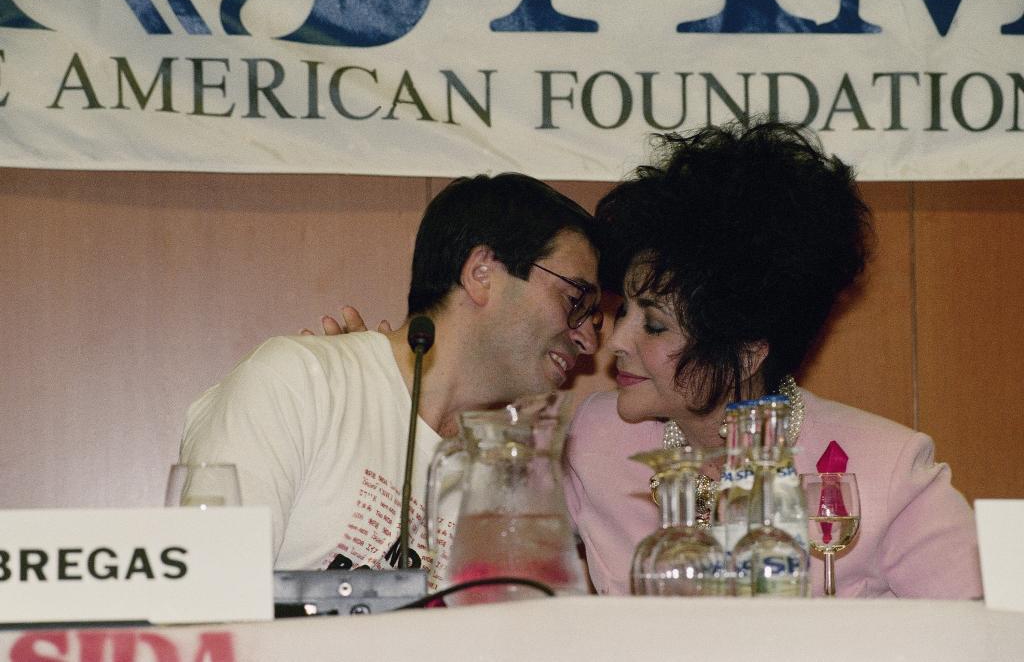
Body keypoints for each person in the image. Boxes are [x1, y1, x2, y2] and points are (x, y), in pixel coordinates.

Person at [563, 121, 983, 598]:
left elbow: (982, 631)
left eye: (654, 325)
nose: (616, 340)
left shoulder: (886, 467)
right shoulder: (595, 440)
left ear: (747, 352)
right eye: (623, 312)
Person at [180, 173, 603, 577]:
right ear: (482, 273)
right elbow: (208, 605)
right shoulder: (299, 382)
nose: (587, 339)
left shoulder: (508, 471)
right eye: (575, 299)